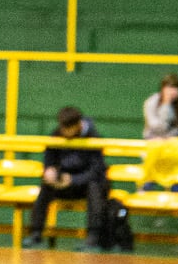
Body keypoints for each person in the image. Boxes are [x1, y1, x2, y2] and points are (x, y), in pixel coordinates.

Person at [22, 107, 114, 250]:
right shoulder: (56, 135)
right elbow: (49, 158)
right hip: (63, 182)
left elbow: (96, 171)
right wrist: (50, 171)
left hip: (84, 183)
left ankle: (93, 238)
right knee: (46, 187)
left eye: (67, 129)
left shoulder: (94, 138)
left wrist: (73, 180)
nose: (64, 132)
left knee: (95, 187)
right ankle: (36, 234)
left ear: (78, 125)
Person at [143, 74, 178, 141]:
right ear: (162, 89)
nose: (172, 92)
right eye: (169, 88)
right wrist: (166, 104)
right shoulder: (151, 102)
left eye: (175, 88)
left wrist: (174, 137)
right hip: (154, 141)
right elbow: (155, 127)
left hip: (177, 142)